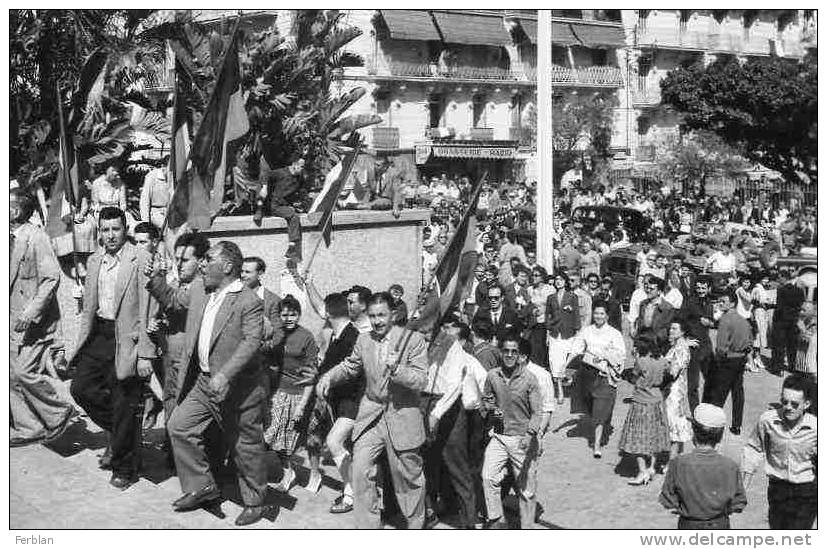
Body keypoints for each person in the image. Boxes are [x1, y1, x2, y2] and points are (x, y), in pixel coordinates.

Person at [146, 240, 269, 526]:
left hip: (236, 388)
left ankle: (255, 501)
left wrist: (225, 374)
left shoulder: (248, 300)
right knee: (178, 426)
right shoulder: (201, 289)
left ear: (226, 266)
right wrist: (156, 278)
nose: (202, 263)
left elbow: (252, 342)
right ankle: (202, 486)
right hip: (202, 382)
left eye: (208, 259)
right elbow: (174, 300)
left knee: (244, 446)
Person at [316, 292, 428, 529]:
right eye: (373, 316)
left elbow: (421, 380)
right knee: (359, 471)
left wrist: (398, 369)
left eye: (382, 315)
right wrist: (329, 376)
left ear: (393, 315)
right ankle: (368, 528)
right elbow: (350, 366)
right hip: (371, 415)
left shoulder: (412, 339)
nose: (377, 321)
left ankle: (416, 526)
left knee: (408, 479)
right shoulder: (364, 340)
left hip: (402, 415)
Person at [69, 207, 157, 490]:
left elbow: (148, 308)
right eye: (105, 230)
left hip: (127, 340)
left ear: (124, 230)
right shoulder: (95, 260)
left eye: (115, 229)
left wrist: (145, 353)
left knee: (123, 402)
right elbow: (91, 307)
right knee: (81, 389)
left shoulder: (140, 258)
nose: (110, 235)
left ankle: (124, 467)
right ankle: (125, 435)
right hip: (100, 334)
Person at [10, 189, 76, 446]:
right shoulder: (9, 238)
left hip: (34, 323)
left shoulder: (36, 238)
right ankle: (29, 426)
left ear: (15, 211)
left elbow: (51, 279)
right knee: (8, 374)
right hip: (10, 319)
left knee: (25, 372)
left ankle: (59, 412)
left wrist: (30, 313)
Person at [423, 316, 487, 530]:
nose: (427, 330)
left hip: (448, 407)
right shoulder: (420, 344)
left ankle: (469, 520)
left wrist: (436, 414)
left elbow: (454, 387)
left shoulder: (455, 349)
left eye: (430, 325)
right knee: (427, 463)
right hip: (425, 401)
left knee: (456, 465)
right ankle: (429, 511)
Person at [481, 331, 544, 529]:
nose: (509, 355)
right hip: (499, 436)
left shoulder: (529, 379)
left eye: (513, 352)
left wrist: (529, 434)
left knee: (526, 490)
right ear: (500, 352)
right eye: (506, 351)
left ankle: (527, 528)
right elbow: (486, 400)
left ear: (519, 355)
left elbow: (537, 412)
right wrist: (490, 407)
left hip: (521, 439)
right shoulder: (492, 376)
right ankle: (497, 520)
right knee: (488, 477)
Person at [307, 293, 361, 514]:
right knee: (343, 446)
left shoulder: (351, 336)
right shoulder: (338, 335)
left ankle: (351, 494)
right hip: (341, 402)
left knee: (334, 441)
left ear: (327, 313)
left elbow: (351, 371)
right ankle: (354, 490)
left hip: (354, 401)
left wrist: (324, 378)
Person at [741, 374, 817, 530]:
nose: (788, 407)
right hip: (778, 489)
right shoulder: (768, 421)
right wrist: (744, 484)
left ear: (807, 404)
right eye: (784, 401)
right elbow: (753, 448)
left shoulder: (816, 428)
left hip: (806, 491)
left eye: (795, 404)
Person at [659, 404, 747, 529]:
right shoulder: (730, 466)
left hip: (688, 525)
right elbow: (738, 503)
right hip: (720, 524)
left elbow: (668, 500)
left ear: (694, 431)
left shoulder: (678, 463)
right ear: (720, 436)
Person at [264, 295, 319, 493]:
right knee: (273, 434)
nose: (288, 319)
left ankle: (308, 473)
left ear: (299, 315)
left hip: (299, 393)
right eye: (284, 315)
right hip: (278, 390)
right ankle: (288, 471)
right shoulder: (276, 334)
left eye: (293, 315)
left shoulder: (306, 337)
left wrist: (302, 404)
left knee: (301, 439)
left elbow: (312, 375)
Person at [568, 302, 626, 458]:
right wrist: (568, 366)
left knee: (600, 409)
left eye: (602, 314)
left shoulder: (615, 334)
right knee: (592, 408)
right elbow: (576, 349)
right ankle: (601, 423)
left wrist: (606, 356)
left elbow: (621, 355)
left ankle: (597, 444)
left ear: (607, 316)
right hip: (587, 374)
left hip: (605, 375)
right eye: (596, 313)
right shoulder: (586, 331)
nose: (598, 316)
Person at [617, 335, 670, 486]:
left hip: (642, 400)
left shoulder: (641, 362)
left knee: (637, 438)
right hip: (657, 399)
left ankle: (642, 471)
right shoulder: (662, 361)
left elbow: (633, 378)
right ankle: (651, 467)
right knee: (654, 436)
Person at [703, 290, 752, 436]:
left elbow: (720, 346)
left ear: (732, 303)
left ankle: (712, 426)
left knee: (720, 393)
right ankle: (736, 425)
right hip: (741, 359)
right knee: (738, 392)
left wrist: (719, 360)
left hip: (728, 359)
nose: (720, 303)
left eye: (723, 301)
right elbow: (750, 341)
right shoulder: (743, 320)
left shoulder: (726, 320)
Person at [679, 276, 715, 412]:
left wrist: (710, 323)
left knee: (711, 380)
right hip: (693, 347)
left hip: (706, 346)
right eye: (698, 288)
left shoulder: (709, 303)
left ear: (708, 289)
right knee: (693, 384)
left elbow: (711, 323)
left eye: (703, 288)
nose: (700, 290)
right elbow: (678, 322)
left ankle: (706, 409)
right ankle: (695, 413)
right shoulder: (689, 303)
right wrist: (684, 340)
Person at [258, 157, 305, 259]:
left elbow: (299, 192)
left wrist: (298, 203)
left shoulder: (299, 178)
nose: (302, 169)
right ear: (294, 165)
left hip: (286, 206)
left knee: (294, 214)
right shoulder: (281, 173)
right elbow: (266, 175)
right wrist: (264, 187)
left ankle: (292, 247)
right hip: (274, 206)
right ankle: (292, 247)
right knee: (294, 216)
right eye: (301, 167)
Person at [545, 272, 580, 405]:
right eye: (556, 279)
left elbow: (576, 314)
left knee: (566, 360)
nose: (558, 282)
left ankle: (569, 383)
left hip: (568, 333)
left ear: (565, 282)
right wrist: (548, 332)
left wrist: (577, 331)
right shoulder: (551, 298)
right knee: (555, 360)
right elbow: (547, 315)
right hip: (555, 333)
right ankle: (559, 389)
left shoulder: (572, 297)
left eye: (561, 279)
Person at [663, 321, 693, 469]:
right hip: (674, 389)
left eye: (674, 328)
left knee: (674, 423)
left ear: (682, 332)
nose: (671, 330)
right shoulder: (678, 346)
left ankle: (672, 461)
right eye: (671, 328)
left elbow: (673, 372)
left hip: (675, 391)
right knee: (673, 423)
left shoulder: (681, 348)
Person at [769, 269, 805, 373]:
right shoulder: (799, 290)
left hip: (781, 321)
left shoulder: (781, 290)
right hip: (794, 320)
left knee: (778, 345)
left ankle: (778, 368)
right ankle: (792, 367)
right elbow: (801, 304)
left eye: (779, 277)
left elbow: (779, 307)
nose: (778, 279)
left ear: (783, 277)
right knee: (792, 345)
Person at [633, 275, 675, 349]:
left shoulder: (668, 308)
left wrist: (654, 339)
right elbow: (639, 325)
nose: (648, 291)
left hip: (657, 347)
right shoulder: (643, 304)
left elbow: (667, 329)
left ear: (659, 291)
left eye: (652, 289)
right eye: (647, 288)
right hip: (641, 344)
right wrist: (636, 343)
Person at [526, 265, 553, 368]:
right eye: (532, 275)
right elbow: (528, 305)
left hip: (545, 322)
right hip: (533, 322)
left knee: (542, 347)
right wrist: (532, 310)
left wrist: (544, 310)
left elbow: (552, 306)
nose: (534, 277)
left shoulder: (549, 289)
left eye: (536, 275)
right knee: (534, 348)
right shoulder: (530, 290)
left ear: (542, 277)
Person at [793, 302, 817, 379]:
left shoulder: (814, 325)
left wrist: (802, 328)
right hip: (799, 366)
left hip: (810, 370)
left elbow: (808, 339)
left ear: (811, 312)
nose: (801, 312)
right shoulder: (803, 322)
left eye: (804, 310)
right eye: (801, 310)